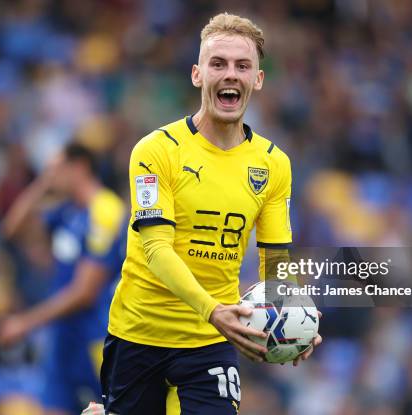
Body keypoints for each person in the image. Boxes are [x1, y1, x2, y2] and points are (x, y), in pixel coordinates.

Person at [102, 12, 322, 415]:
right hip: (138, 334)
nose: (230, 74)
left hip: (211, 345)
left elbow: (275, 262)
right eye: (218, 64)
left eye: (242, 66)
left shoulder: (274, 164)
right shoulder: (156, 151)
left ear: (257, 79)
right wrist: (214, 310)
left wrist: (293, 318)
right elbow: (155, 249)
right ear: (197, 75)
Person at [0, 143, 127, 415]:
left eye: (56, 168)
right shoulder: (67, 211)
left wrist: (26, 322)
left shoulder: (105, 210)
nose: (52, 175)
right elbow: (11, 229)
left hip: (98, 339)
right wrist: (42, 184)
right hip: (62, 338)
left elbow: (85, 292)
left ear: (79, 167)